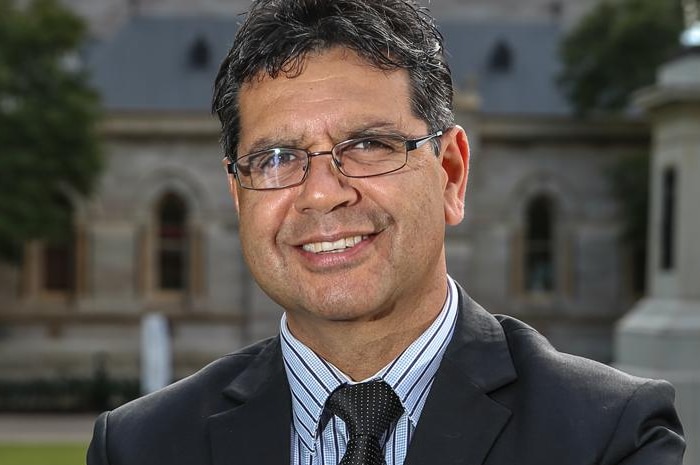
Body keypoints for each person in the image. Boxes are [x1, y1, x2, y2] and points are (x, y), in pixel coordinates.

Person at [87, 0, 686, 464]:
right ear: (238, 193)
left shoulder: (608, 435)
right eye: (276, 158)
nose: (322, 192)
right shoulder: (138, 447)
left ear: (451, 174)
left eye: (369, 145)